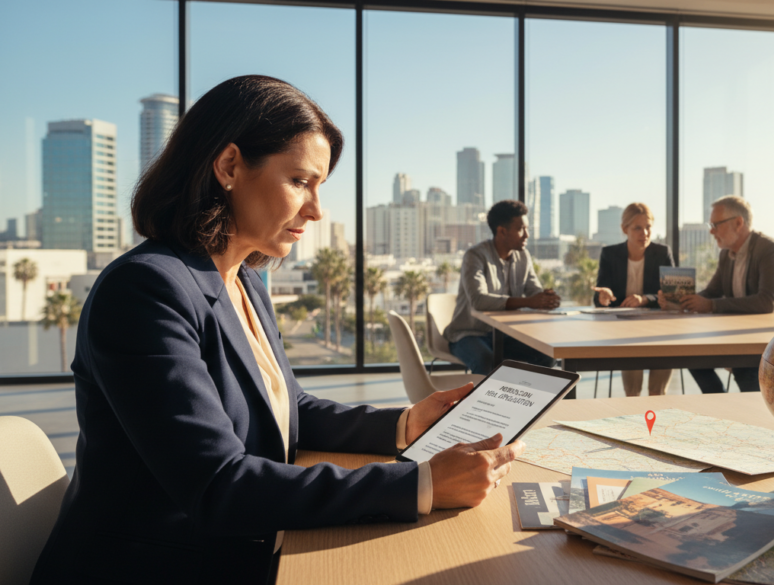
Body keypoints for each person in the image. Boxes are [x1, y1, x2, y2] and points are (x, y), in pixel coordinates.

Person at [31, 76, 523, 585]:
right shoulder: (145, 291)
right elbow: (219, 486)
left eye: (319, 187)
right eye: (300, 181)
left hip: (242, 546)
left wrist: (403, 425)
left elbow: (288, 408)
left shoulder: (244, 277)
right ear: (228, 167)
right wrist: (418, 482)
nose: (316, 209)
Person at [661, 195, 774, 394]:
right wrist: (681, 300)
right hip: (747, 336)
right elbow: (711, 292)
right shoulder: (726, 254)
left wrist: (711, 306)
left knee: (745, 369)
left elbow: (767, 302)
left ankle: (750, 416)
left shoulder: (771, 251)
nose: (711, 231)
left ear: (738, 223)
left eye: (716, 224)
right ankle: (719, 406)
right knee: (693, 356)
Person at [444, 200, 560, 376]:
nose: (527, 235)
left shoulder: (523, 256)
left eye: (528, 229)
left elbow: (533, 289)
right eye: (521, 229)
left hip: (506, 335)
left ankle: (530, 401)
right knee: (486, 360)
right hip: (469, 334)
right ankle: (484, 404)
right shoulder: (475, 256)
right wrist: (530, 301)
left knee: (546, 356)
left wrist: (545, 298)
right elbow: (479, 300)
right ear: (502, 231)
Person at [591, 203, 674, 396]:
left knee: (657, 392)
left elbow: (669, 295)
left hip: (660, 329)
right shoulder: (610, 254)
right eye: (637, 227)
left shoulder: (662, 253)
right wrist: (603, 297)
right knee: (632, 392)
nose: (644, 232)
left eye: (648, 227)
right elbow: (600, 294)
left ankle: (656, 419)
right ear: (624, 229)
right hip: (624, 330)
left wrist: (644, 299)